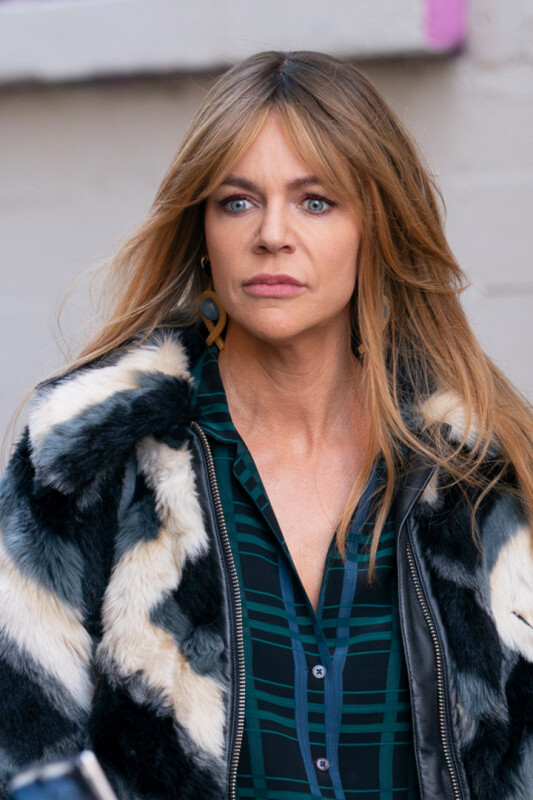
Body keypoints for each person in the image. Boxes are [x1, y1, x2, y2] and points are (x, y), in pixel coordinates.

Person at [0, 50, 532, 800]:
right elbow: (23, 766)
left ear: (375, 226)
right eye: (237, 201)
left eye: (315, 202)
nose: (272, 234)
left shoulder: (472, 475)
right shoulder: (89, 455)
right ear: (202, 228)